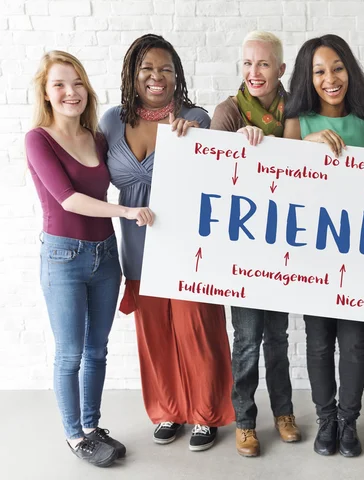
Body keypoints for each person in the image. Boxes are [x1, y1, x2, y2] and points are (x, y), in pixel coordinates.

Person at [100, 34, 235, 452]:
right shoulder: (110, 121)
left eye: (165, 69)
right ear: (132, 76)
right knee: (154, 334)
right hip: (138, 247)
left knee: (198, 331)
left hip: (187, 249)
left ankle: (205, 415)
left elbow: (220, 181)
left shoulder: (196, 118)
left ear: (177, 76)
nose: (156, 76)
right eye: (147, 69)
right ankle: (168, 410)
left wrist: (195, 141)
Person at [26, 51, 153, 467]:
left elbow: (136, 167)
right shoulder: (38, 139)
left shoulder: (97, 136)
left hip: (105, 254)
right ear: (46, 93)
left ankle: (91, 427)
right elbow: (70, 199)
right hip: (63, 256)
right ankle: (74, 435)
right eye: (60, 84)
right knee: (70, 353)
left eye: (77, 82)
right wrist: (127, 212)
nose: (70, 92)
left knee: (97, 349)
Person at [284, 34, 364, 458]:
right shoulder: (297, 121)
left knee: (356, 342)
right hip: (313, 251)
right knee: (319, 341)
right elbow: (274, 170)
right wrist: (307, 145)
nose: (330, 78)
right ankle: (325, 419)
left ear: (350, 70)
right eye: (319, 71)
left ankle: (348, 420)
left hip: (358, 251)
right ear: (308, 77)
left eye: (337, 68)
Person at [211, 31, 300, 457]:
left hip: (283, 246)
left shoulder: (296, 110)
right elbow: (213, 175)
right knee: (246, 339)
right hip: (243, 250)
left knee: (278, 338)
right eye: (247, 64)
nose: (254, 72)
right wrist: (239, 151)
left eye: (263, 64)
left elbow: (308, 169)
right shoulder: (229, 112)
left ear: (280, 69)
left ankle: (284, 412)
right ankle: (245, 420)